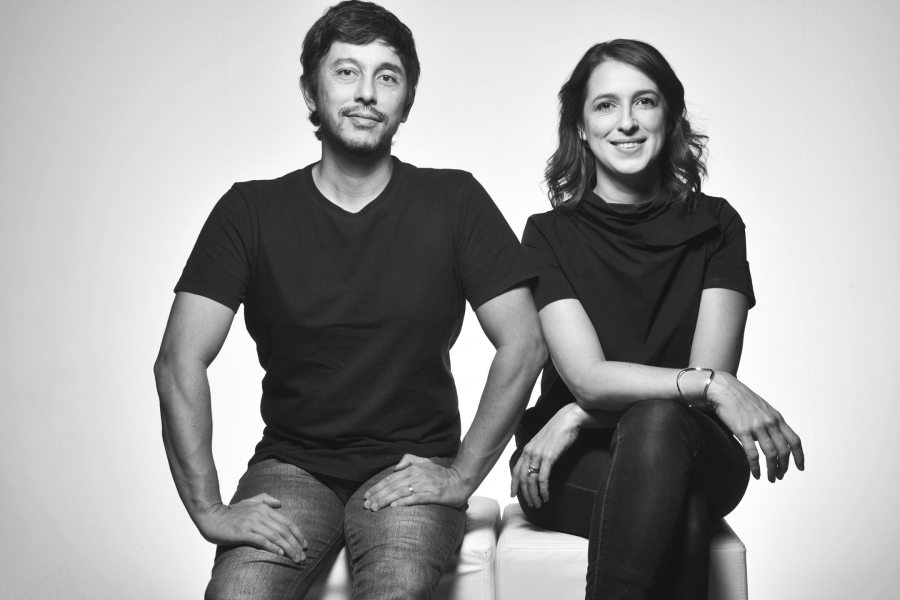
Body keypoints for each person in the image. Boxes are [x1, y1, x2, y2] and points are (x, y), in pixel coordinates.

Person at [153, 2, 545, 598]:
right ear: (311, 90)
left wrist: (463, 474)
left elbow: (525, 341)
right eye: (346, 72)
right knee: (237, 594)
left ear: (406, 100)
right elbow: (179, 360)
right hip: (293, 466)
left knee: (397, 589)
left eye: (387, 76)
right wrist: (208, 508)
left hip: (411, 468)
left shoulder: (454, 200)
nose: (366, 92)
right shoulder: (250, 211)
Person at [509, 39, 805, 600]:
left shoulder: (718, 225)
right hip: (568, 461)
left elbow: (703, 386)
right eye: (605, 105)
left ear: (669, 117)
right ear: (580, 127)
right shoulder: (547, 235)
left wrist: (576, 414)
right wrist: (709, 385)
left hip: (691, 446)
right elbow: (593, 376)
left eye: (644, 101)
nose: (626, 122)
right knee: (682, 517)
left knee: (657, 422)